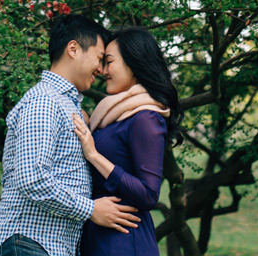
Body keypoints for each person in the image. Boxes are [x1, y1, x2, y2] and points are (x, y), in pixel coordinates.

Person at [0, 14, 142, 256]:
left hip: (45, 246)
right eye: (99, 58)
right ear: (73, 49)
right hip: (29, 243)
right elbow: (32, 178)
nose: (101, 69)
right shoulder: (44, 101)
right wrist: (90, 209)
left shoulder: (65, 105)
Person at [71, 27, 182, 256]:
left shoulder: (146, 117)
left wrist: (94, 155)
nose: (102, 70)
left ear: (134, 63)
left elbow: (149, 194)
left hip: (124, 242)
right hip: (100, 237)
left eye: (109, 62)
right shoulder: (115, 117)